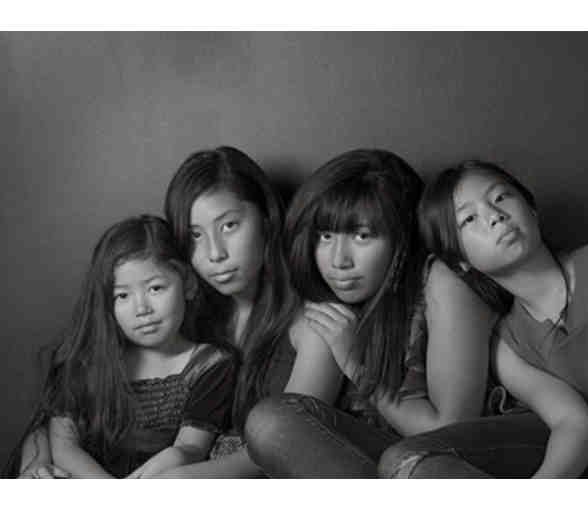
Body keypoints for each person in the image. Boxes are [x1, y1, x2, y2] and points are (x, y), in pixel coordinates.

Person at [12, 146, 343, 478]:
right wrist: (36, 464)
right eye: (195, 235)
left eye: (229, 226)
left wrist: (182, 480)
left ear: (266, 219)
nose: (215, 253)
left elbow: (285, 444)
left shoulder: (314, 327)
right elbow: (63, 414)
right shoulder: (176, 312)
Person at [384, 159, 588, 478]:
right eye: (469, 218)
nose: (495, 216)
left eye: (501, 197)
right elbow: (576, 426)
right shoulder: (507, 345)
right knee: (408, 464)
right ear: (460, 261)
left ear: (531, 208)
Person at [244, 149, 497, 477]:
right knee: (274, 420)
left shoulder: (442, 283)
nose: (339, 260)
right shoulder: (330, 305)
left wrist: (356, 366)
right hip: (380, 469)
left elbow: (450, 434)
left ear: (401, 237)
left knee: (273, 423)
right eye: (326, 236)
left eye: (362, 236)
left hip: (443, 466)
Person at [7, 215, 236, 478]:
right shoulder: (85, 361)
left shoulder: (210, 365)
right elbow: (65, 447)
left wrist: (170, 461)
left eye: (155, 288)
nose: (142, 309)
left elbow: (190, 448)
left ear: (188, 285)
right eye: (123, 295)